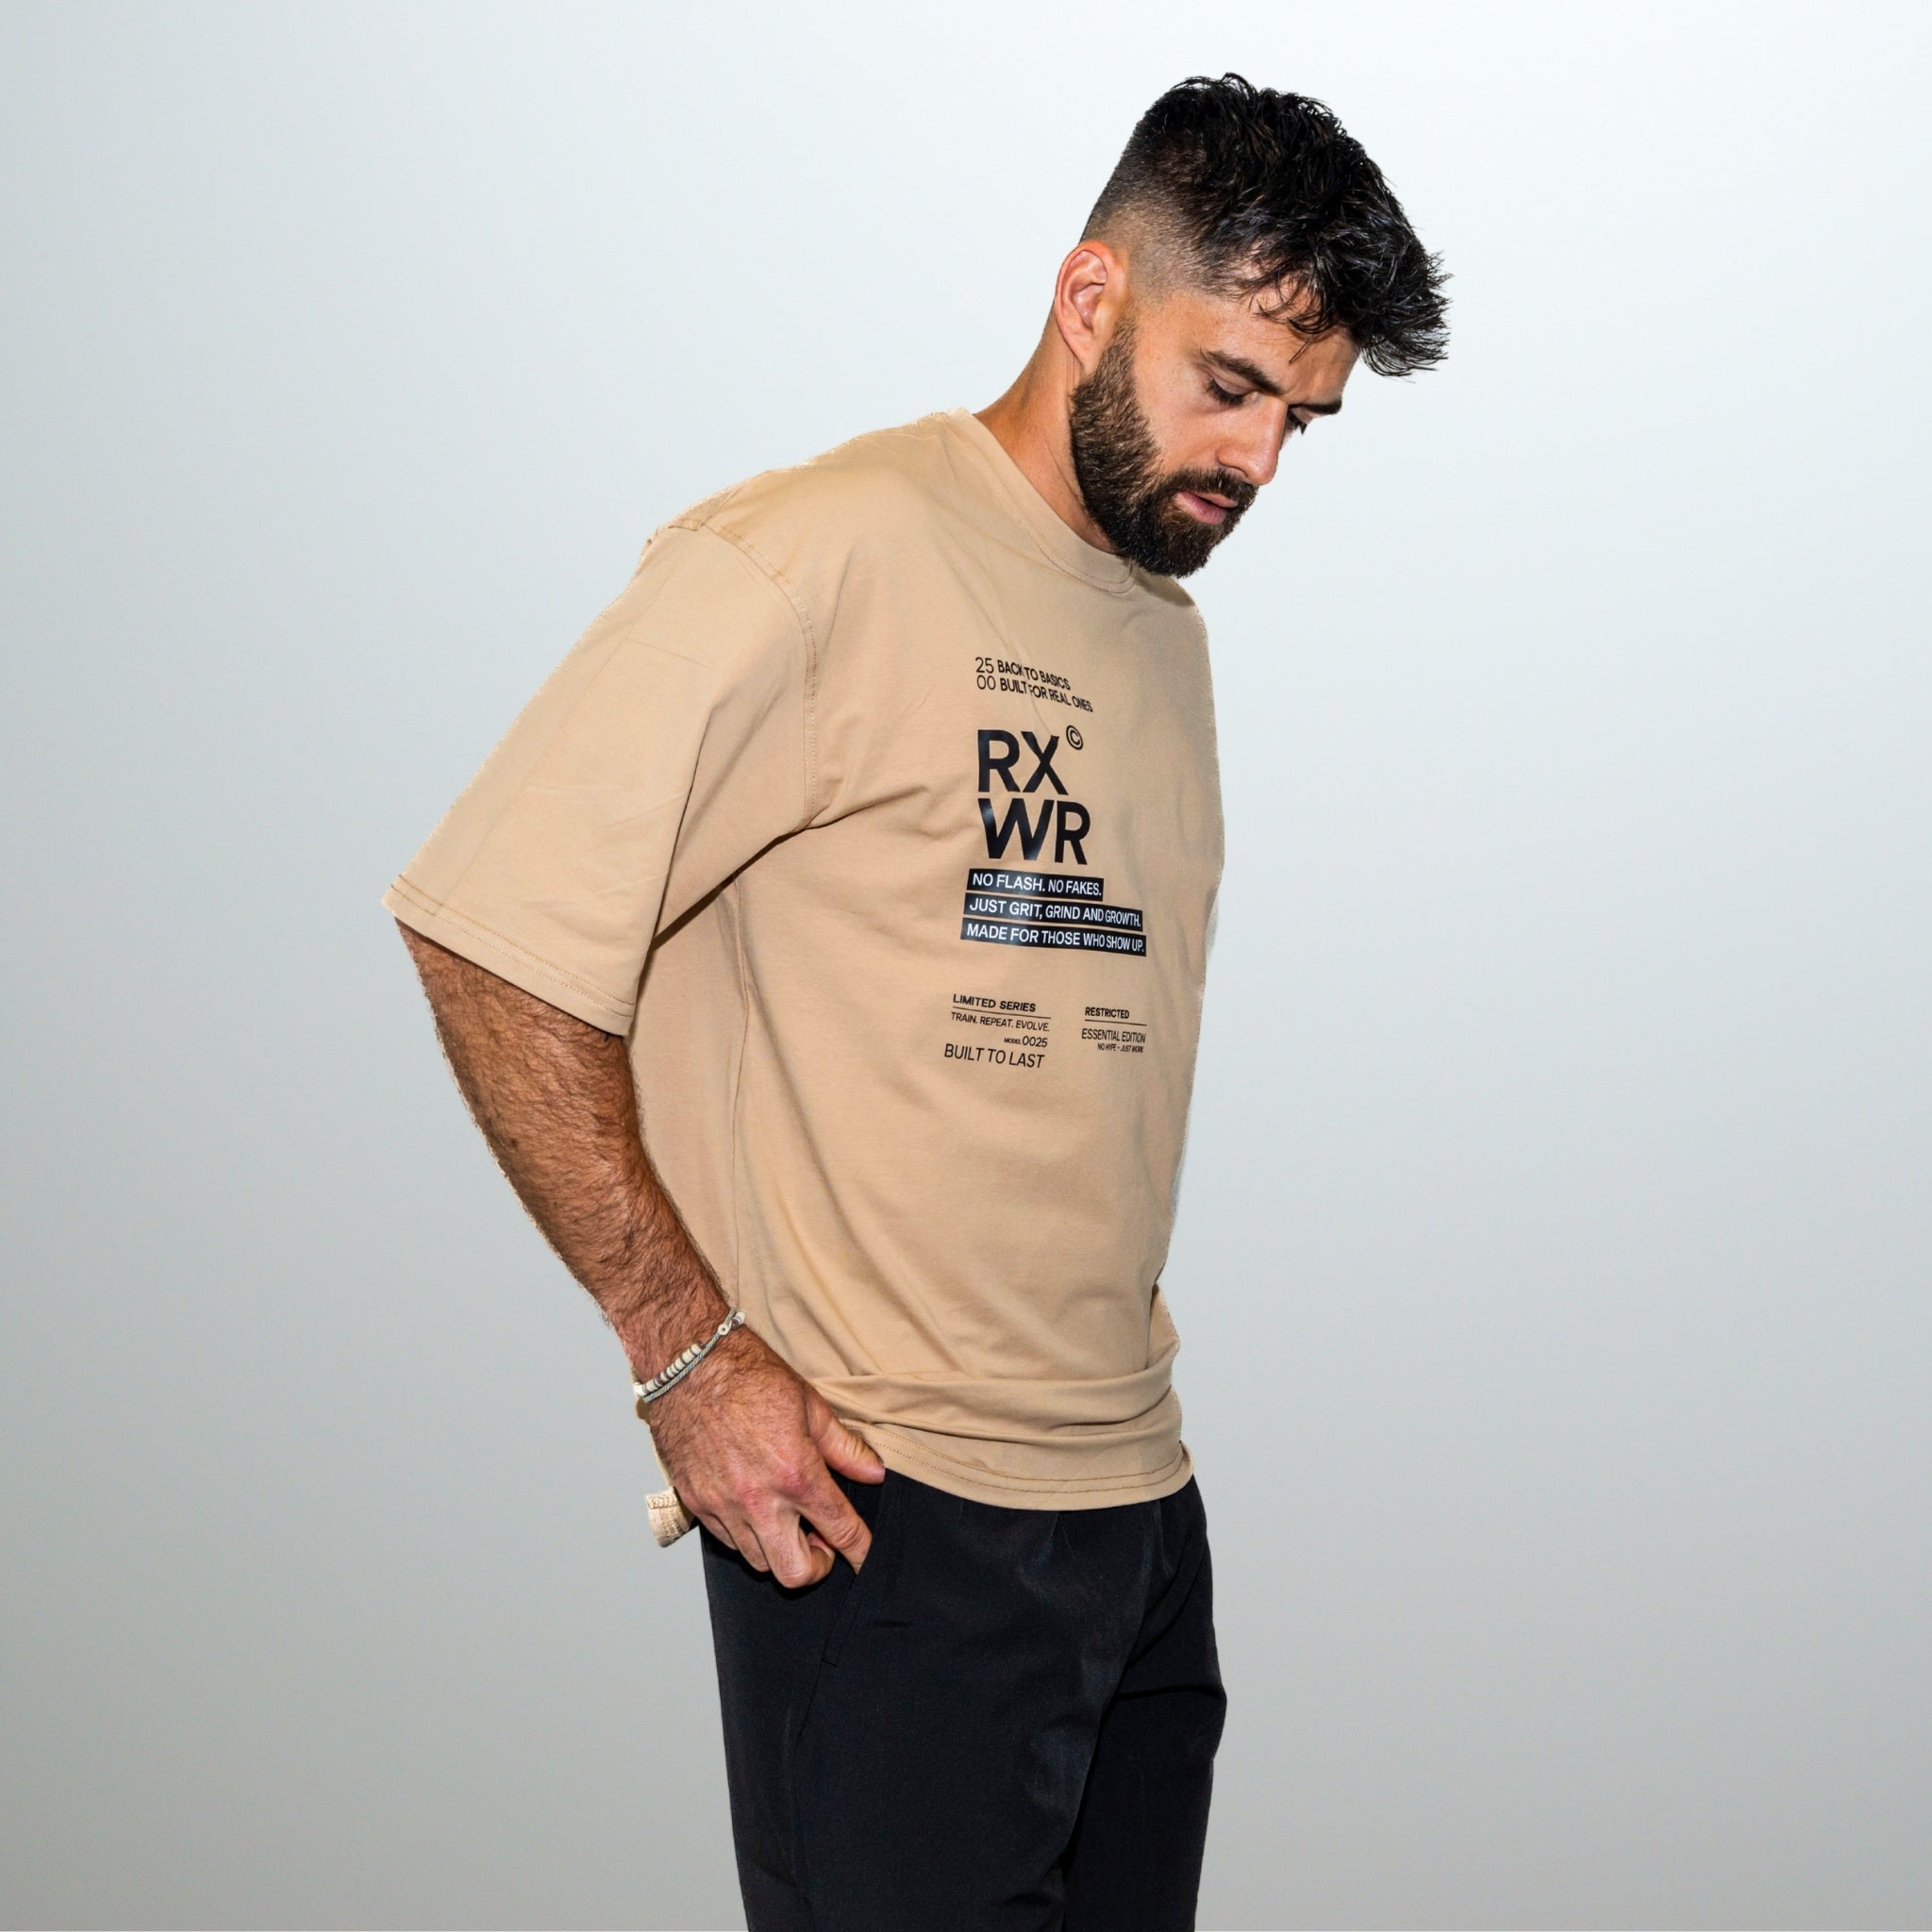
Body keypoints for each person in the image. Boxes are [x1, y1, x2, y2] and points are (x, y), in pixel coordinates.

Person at [386, 72, 1446, 1932]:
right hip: (892, 1519)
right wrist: (685, 1351)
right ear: (1091, 297)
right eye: (1229, 385)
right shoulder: (813, 557)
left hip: (1136, 1513)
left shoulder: (1163, 632)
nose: (1261, 461)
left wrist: (1141, 1514)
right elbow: (491, 928)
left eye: (1301, 418)